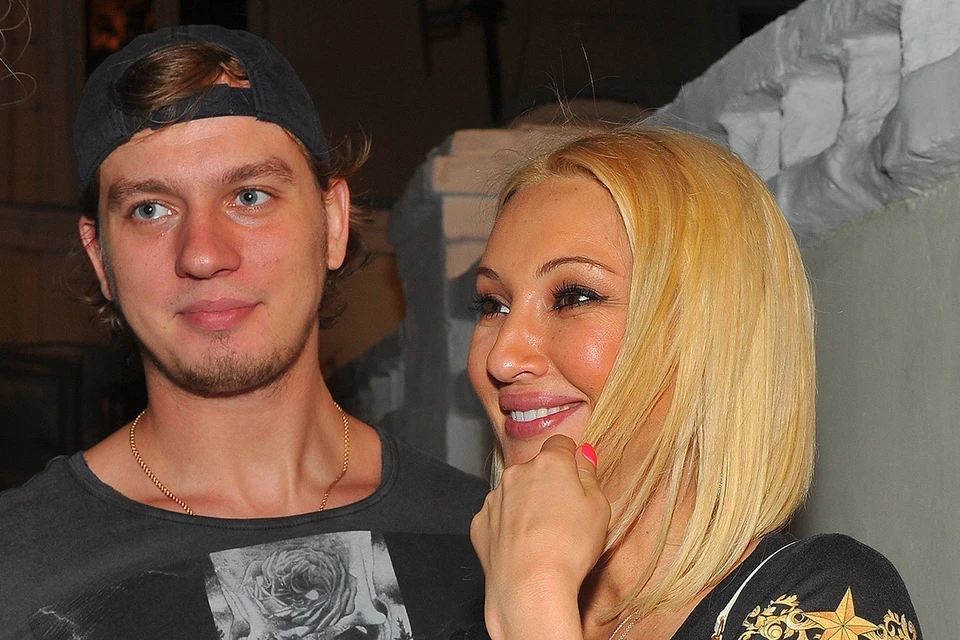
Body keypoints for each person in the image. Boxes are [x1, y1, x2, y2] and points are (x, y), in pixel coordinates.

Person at [0, 25, 486, 639]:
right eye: (150, 209)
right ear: (100, 258)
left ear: (333, 224)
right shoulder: (18, 568)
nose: (203, 254)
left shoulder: (481, 537)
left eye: (250, 196)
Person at [467, 127, 922, 639]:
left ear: (710, 335)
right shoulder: (468, 614)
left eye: (574, 296)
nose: (503, 357)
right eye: (493, 305)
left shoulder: (826, 601)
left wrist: (533, 601)